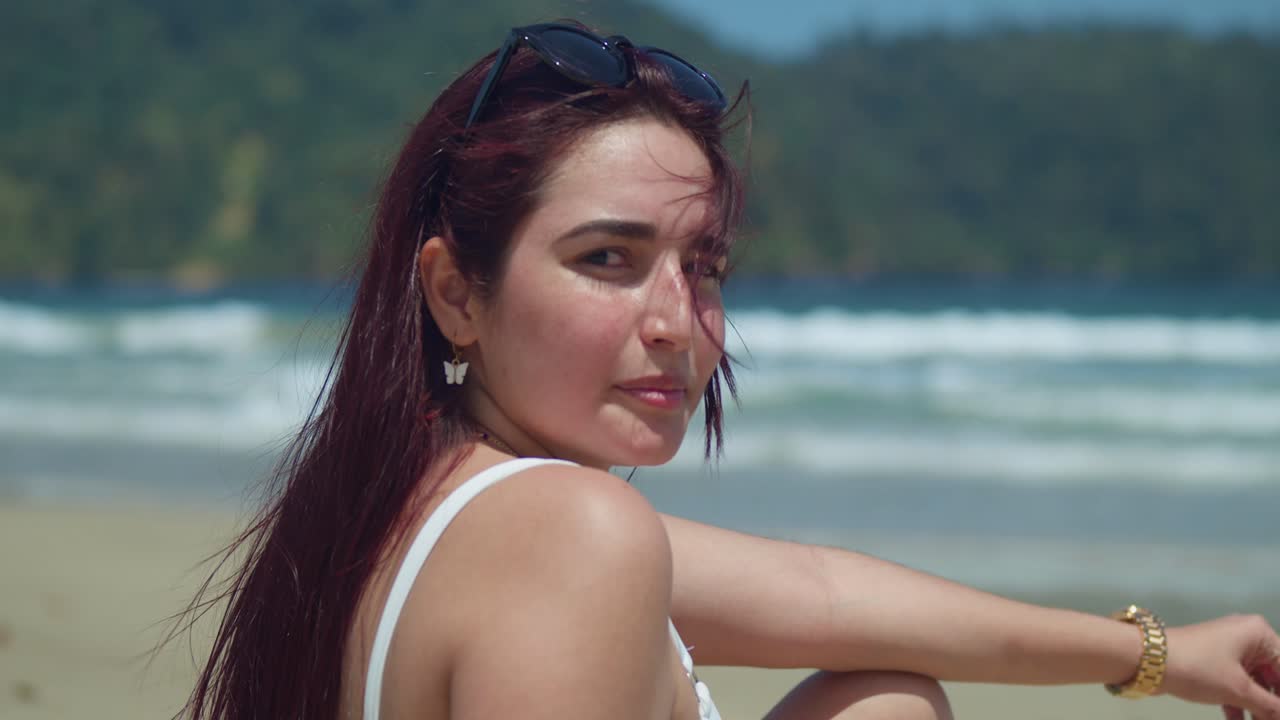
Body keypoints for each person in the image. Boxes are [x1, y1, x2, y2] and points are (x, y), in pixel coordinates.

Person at [176, 20, 1280, 720]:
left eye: (698, 263)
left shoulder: (410, 501)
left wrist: (1159, 655)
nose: (677, 321)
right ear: (455, 291)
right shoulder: (568, 535)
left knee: (887, 695)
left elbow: (827, 596)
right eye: (605, 260)